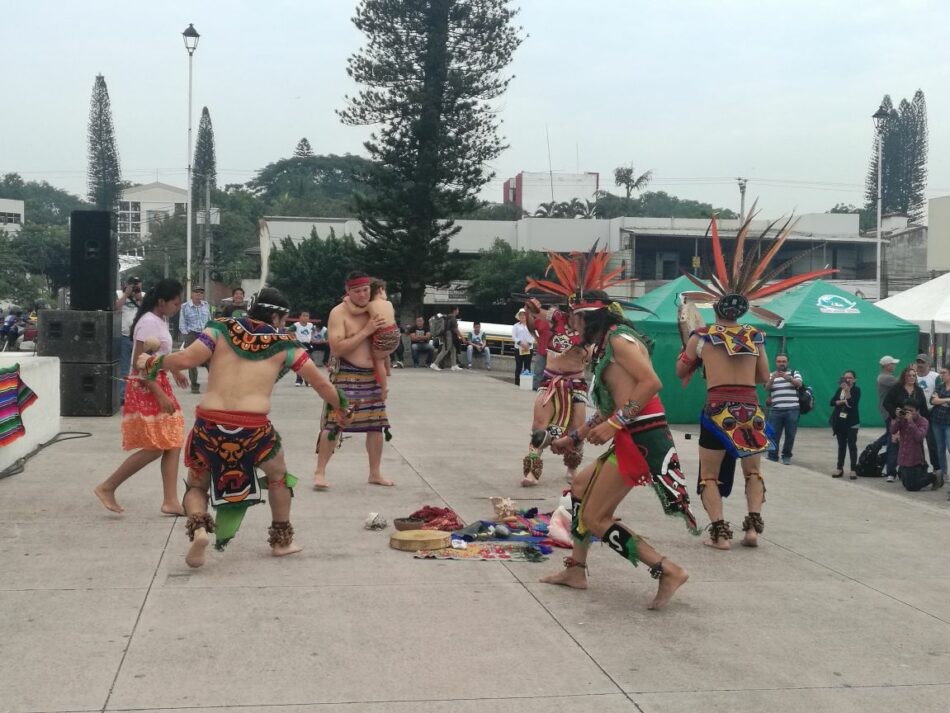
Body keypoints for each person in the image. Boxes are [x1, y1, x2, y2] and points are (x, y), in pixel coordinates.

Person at [134, 287, 348, 567]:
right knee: (279, 477)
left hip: (210, 424)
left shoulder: (220, 328)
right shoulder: (285, 343)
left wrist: (152, 361)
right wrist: (342, 408)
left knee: (197, 483)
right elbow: (320, 383)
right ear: (275, 316)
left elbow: (186, 360)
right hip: (253, 429)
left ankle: (199, 530)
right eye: (283, 319)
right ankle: (282, 541)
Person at [675, 211, 834, 549]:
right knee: (753, 472)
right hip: (750, 410)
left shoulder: (701, 336)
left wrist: (689, 354)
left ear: (715, 307)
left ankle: (720, 534)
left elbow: (680, 372)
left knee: (709, 475)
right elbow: (764, 377)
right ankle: (751, 530)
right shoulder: (756, 337)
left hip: (717, 410)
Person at [540, 288, 698, 610]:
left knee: (596, 519)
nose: (572, 325)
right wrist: (576, 437)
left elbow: (651, 383)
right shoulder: (607, 343)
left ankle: (667, 569)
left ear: (588, 316)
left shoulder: (618, 341)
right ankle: (577, 571)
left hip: (641, 437)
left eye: (575, 318)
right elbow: (614, 403)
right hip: (631, 433)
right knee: (580, 487)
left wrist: (614, 425)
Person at [94, 279, 189, 516]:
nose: (177, 307)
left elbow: (159, 354)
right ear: (162, 302)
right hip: (148, 387)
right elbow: (140, 365)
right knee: (156, 447)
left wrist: (174, 369)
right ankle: (108, 486)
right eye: (175, 303)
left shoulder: (158, 320)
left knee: (173, 441)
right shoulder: (148, 323)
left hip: (158, 383)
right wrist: (158, 392)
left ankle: (170, 500)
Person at [313, 272, 394, 490]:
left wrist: (386, 372)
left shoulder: (375, 307)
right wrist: (366, 330)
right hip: (347, 372)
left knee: (377, 425)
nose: (362, 295)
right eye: (357, 291)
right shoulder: (338, 313)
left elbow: (387, 338)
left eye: (366, 290)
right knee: (335, 422)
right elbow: (337, 348)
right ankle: (319, 472)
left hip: (373, 375)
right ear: (348, 292)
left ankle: (375, 473)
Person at [344, 278, 401, 386]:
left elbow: (354, 311)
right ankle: (388, 371)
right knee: (385, 354)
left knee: (378, 360)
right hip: (395, 334)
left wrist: (347, 300)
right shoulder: (389, 303)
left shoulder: (370, 305)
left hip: (383, 334)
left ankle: (384, 385)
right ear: (381, 290)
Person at [891, 400, 944, 491]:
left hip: (915, 459)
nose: (908, 413)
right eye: (906, 410)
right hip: (903, 457)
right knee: (906, 484)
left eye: (911, 410)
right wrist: (898, 418)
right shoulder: (902, 419)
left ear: (918, 411)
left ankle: (934, 476)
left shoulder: (924, 421)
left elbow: (919, 437)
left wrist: (911, 422)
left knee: (912, 487)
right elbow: (892, 431)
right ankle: (922, 475)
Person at [765, 353, 802, 465]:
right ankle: (772, 455)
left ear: (787, 362)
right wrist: (772, 379)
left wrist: (788, 378)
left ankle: (786, 456)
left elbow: (799, 384)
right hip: (776, 409)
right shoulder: (771, 375)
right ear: (776, 363)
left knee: (790, 434)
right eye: (779, 361)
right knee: (774, 434)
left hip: (792, 409)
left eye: (784, 361)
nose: (781, 363)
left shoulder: (794, 373)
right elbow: (766, 388)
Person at [114, 276, 143, 403]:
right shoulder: (119, 294)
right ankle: (122, 396)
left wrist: (139, 297)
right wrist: (126, 295)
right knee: (124, 367)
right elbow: (117, 308)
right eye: (132, 284)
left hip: (139, 337)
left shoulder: (143, 296)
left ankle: (138, 395)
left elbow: (148, 311)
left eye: (137, 284)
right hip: (124, 335)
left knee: (140, 367)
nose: (134, 287)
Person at [871, 356, 901, 480]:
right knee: (891, 436)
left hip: (888, 411)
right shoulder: (885, 378)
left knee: (890, 434)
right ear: (887, 366)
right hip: (888, 412)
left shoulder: (884, 377)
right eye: (892, 364)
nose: (894, 366)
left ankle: (876, 447)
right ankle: (876, 446)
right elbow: (901, 382)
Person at [178, 285, 211, 394]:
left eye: (201, 292)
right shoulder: (185, 306)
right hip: (192, 334)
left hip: (204, 334)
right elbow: (182, 323)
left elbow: (209, 319)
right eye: (196, 292)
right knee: (192, 361)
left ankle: (215, 382)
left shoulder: (206, 305)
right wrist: (187, 335)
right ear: (192, 294)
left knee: (209, 359)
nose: (199, 294)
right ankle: (194, 385)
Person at [830, 370, 860, 479]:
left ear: (854, 380)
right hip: (840, 422)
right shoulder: (839, 390)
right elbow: (832, 402)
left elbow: (852, 403)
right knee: (841, 446)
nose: (847, 379)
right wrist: (840, 402)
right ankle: (839, 468)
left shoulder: (856, 390)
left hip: (852, 422)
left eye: (850, 378)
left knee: (852, 445)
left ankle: (853, 470)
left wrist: (847, 391)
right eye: (845, 377)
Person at [915, 353, 941, 469]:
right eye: (918, 362)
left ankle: (936, 468)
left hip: (931, 412)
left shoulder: (935, 376)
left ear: (928, 364)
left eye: (922, 362)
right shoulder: (913, 376)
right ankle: (921, 466)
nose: (920, 364)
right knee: (917, 443)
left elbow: (940, 391)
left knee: (932, 444)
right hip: (916, 413)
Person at [929, 364, 950, 492]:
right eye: (940, 372)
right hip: (936, 422)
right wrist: (947, 399)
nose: (941, 375)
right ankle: (943, 474)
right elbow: (932, 401)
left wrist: (940, 400)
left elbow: (937, 400)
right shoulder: (939, 386)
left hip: (949, 423)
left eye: (944, 372)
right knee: (939, 448)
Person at [431, 306, 463, 372]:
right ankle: (434, 364)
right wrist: (462, 337)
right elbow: (455, 329)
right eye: (457, 310)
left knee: (453, 349)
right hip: (449, 335)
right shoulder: (453, 318)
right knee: (445, 350)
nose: (458, 311)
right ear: (454, 310)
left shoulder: (448, 317)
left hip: (449, 335)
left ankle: (454, 365)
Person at [289, 311, 316, 386]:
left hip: (308, 344)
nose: (305, 317)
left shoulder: (310, 325)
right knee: (299, 363)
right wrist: (294, 338)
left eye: (307, 316)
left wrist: (311, 338)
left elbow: (313, 331)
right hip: (299, 344)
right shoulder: (296, 325)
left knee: (308, 363)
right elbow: (289, 330)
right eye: (304, 315)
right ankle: (299, 380)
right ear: (300, 317)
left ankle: (308, 380)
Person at [512, 308, 534, 385]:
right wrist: (520, 343)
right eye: (521, 315)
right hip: (518, 348)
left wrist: (529, 344)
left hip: (529, 348)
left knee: (527, 366)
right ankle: (517, 383)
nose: (522, 316)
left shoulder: (531, 325)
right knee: (518, 366)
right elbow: (514, 336)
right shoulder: (516, 326)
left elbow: (533, 335)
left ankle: (526, 383)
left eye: (524, 315)